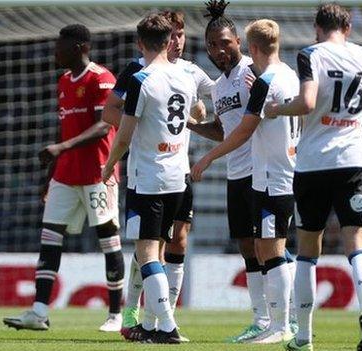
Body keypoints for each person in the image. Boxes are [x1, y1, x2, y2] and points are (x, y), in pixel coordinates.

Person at [263, 4, 362, 351]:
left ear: (317, 27)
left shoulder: (310, 54)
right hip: (355, 159)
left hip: (313, 163)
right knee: (356, 244)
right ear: (349, 26)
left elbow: (308, 103)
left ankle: (303, 338)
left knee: (308, 251)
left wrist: (277, 109)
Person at [3, 24, 125, 332]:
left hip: (99, 173)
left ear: (81, 47)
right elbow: (64, 130)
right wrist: (51, 174)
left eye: (61, 46)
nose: (55, 52)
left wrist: (62, 147)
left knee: (108, 240)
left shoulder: (101, 78)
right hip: (66, 174)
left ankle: (115, 315)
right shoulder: (63, 82)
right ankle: (39, 312)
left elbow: (104, 126)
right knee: (49, 239)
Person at [188, 0, 296, 343]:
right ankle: (262, 319)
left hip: (262, 172)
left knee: (271, 246)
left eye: (225, 42)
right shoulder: (219, 86)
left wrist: (206, 160)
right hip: (237, 174)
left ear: (238, 41)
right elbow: (224, 130)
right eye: (213, 45)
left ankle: (286, 318)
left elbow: (251, 126)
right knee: (248, 247)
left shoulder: (255, 72)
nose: (220, 50)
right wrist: (194, 125)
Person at [102, 10, 212, 335]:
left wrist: (108, 166)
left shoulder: (142, 80)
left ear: (140, 43)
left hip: (148, 177)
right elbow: (195, 111)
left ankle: (167, 325)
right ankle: (148, 324)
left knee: (146, 251)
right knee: (158, 250)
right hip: (179, 175)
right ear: (169, 41)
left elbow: (123, 136)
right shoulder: (186, 78)